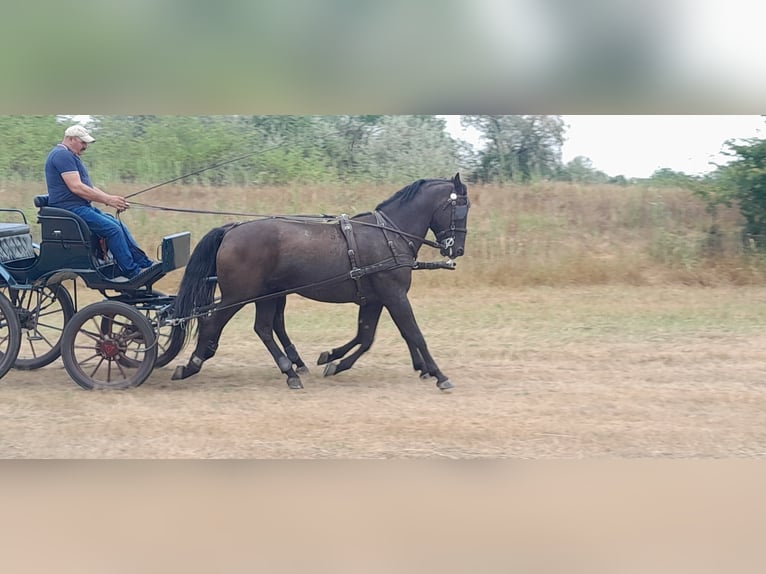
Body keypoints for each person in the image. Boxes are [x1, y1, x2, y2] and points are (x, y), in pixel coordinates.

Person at [44, 124, 157, 279]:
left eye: (86, 143)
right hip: (70, 209)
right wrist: (108, 200)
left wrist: (111, 199)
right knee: (112, 229)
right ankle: (132, 272)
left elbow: (88, 187)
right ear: (71, 139)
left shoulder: (70, 156)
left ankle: (144, 264)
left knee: (118, 225)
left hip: (81, 206)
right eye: (82, 143)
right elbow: (76, 187)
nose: (85, 147)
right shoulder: (61, 156)